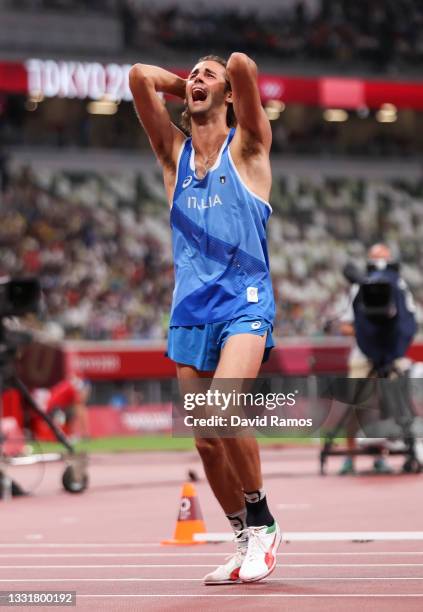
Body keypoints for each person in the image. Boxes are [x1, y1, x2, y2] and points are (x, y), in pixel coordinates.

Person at [129, 53, 281, 584]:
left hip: (245, 300)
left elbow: (241, 63)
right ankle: (241, 535)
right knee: (206, 440)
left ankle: (263, 521)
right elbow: (138, 76)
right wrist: (192, 85)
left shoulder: (249, 147)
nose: (195, 79)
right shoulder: (173, 155)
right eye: (190, 75)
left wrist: (223, 83)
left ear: (231, 96)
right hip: (191, 308)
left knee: (224, 409)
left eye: (205, 75)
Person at [338, 243, 414, 474]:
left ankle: (383, 453)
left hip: (391, 354)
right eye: (376, 257)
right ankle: (349, 456)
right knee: (355, 405)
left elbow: (409, 322)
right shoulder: (359, 288)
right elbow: (345, 326)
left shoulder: (400, 286)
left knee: (390, 405)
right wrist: (365, 332)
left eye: (384, 257)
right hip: (363, 355)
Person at [46, 376, 91, 441]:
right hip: (54, 413)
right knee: (79, 410)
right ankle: (83, 435)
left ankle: (70, 434)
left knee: (74, 410)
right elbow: (80, 406)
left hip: (54, 412)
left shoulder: (67, 386)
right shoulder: (71, 389)